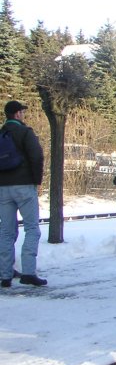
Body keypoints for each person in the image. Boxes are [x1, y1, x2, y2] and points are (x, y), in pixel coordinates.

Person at [0, 100, 47, 287]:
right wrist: (36, 180)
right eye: (22, 112)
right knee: (32, 229)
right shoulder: (25, 132)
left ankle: (5, 274)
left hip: (3, 188)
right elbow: (37, 156)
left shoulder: (1, 133)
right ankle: (28, 272)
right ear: (18, 114)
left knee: (5, 231)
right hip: (24, 186)